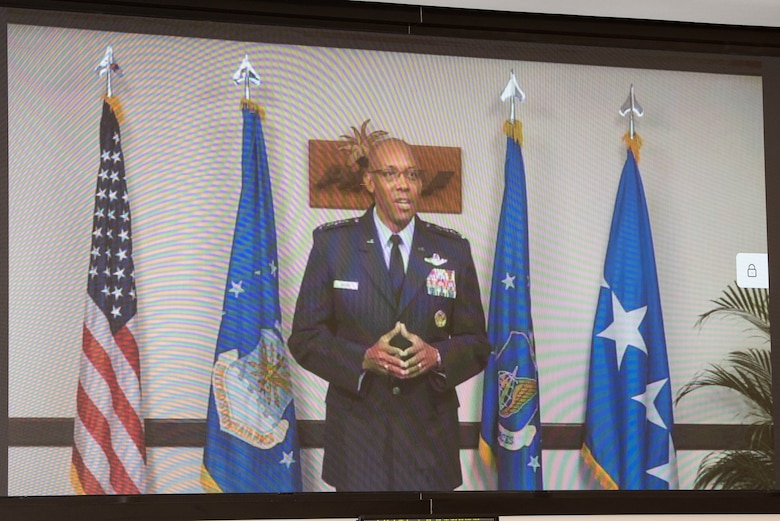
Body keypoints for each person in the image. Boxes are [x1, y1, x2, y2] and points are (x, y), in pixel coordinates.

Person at [288, 136, 490, 491]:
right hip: (358, 440)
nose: (403, 185)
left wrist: (437, 355)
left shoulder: (452, 249)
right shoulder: (333, 246)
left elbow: (477, 343)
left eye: (412, 175)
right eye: (390, 174)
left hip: (430, 440)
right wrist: (363, 359)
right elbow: (305, 338)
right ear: (369, 181)